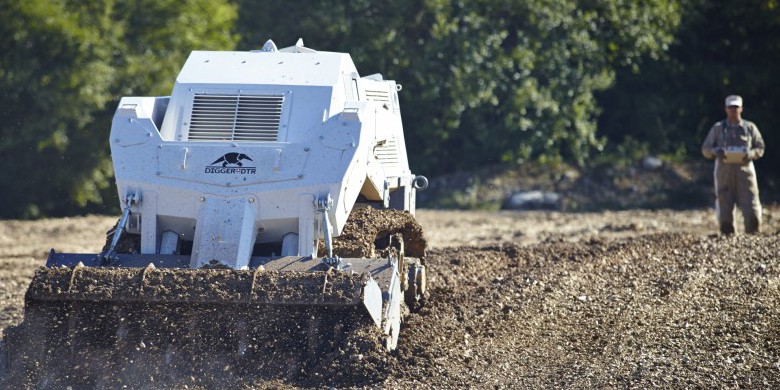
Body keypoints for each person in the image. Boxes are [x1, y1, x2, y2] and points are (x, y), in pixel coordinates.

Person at [701, 95, 765, 234]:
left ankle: (754, 235)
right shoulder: (718, 128)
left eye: (736, 107)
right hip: (724, 172)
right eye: (730, 107)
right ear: (726, 109)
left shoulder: (750, 128)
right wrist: (715, 152)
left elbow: (760, 148)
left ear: (741, 108)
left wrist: (750, 154)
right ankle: (728, 238)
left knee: (751, 205)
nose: (733, 110)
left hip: (745, 171)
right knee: (724, 204)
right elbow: (705, 149)